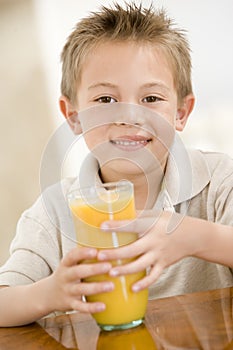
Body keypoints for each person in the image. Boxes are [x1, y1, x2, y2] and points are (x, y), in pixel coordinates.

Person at [0, 2, 233, 327]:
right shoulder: (53, 213)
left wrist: (199, 238)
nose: (129, 117)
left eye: (151, 99)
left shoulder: (220, 182)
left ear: (181, 113)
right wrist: (48, 293)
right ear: (74, 116)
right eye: (106, 100)